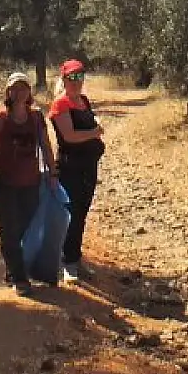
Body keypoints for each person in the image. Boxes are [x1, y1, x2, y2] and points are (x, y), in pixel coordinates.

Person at [0, 72, 57, 295]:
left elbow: (46, 146)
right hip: (5, 182)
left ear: (29, 92)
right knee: (9, 230)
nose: (19, 92)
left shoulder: (37, 118)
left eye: (23, 87)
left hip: (31, 181)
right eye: (15, 88)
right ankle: (20, 278)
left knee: (27, 228)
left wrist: (52, 172)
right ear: (8, 92)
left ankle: (15, 269)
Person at [48, 58, 105, 284]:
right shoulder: (60, 104)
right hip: (71, 167)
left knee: (81, 213)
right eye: (72, 77)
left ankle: (75, 258)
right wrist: (95, 133)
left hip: (88, 167)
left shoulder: (83, 101)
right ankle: (66, 263)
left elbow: (90, 122)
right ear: (64, 79)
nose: (76, 81)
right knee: (70, 214)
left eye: (80, 76)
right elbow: (69, 136)